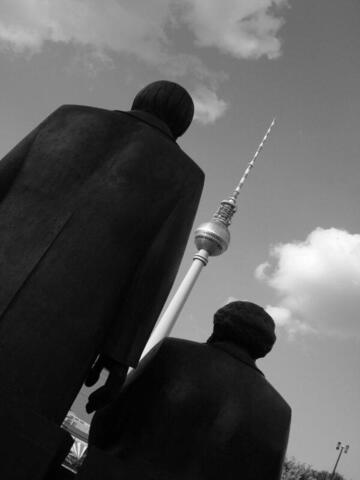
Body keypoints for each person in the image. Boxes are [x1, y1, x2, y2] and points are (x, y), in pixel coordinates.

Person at [0, 80, 204, 424]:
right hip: (66, 328)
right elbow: (156, 270)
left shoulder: (67, 117)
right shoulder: (186, 175)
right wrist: (119, 357)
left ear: (138, 98)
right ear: (182, 125)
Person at [82, 301, 291, 480]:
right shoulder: (280, 411)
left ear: (218, 327)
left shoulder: (171, 352)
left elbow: (110, 415)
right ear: (264, 349)